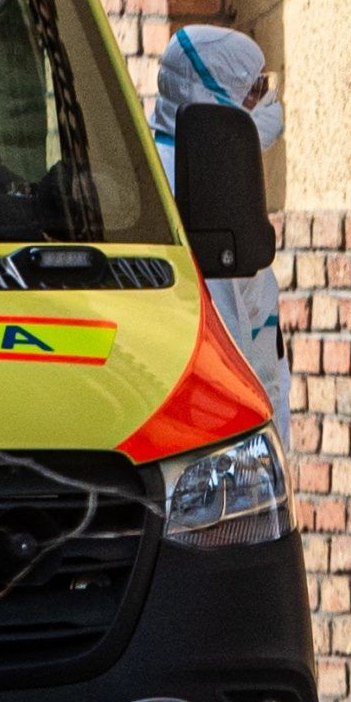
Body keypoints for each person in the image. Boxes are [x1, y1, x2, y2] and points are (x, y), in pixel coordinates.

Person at [150, 23, 290, 417]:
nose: (264, 102)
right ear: (214, 93)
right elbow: (224, 333)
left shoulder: (168, 161)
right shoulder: (199, 184)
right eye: (254, 91)